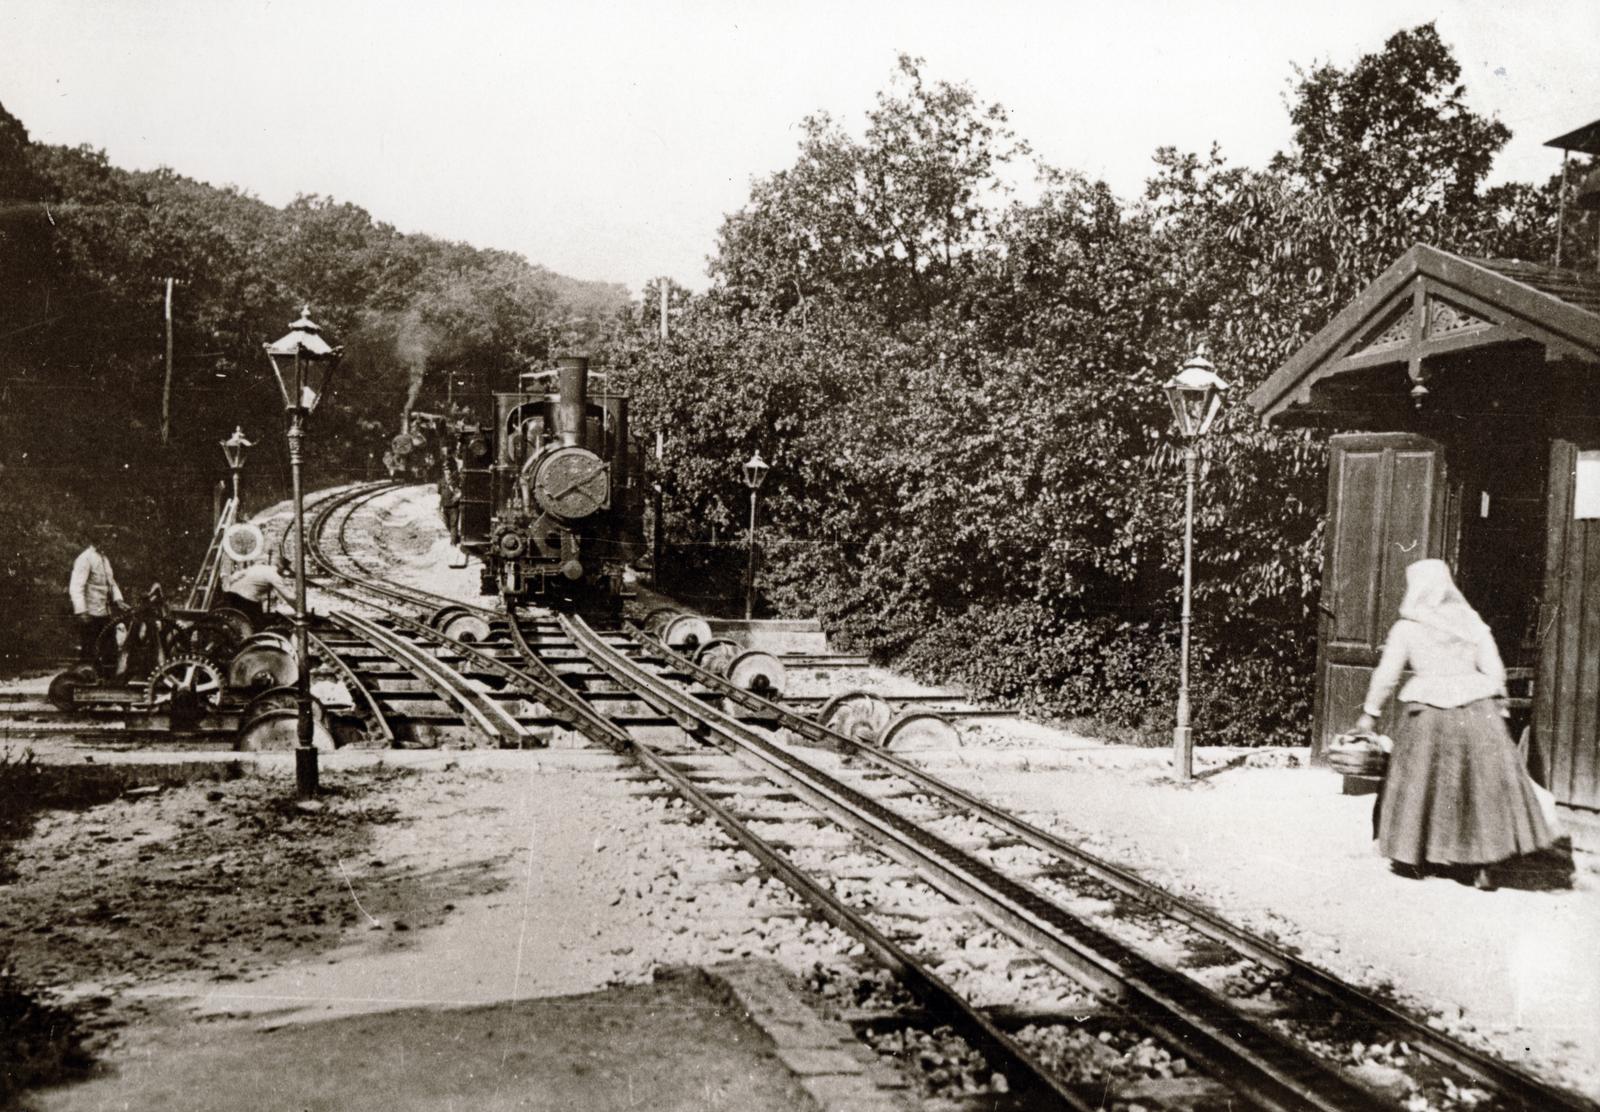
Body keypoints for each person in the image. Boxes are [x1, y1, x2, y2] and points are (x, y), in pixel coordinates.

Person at [1354, 559, 1555, 889]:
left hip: (1430, 712)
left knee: (1423, 783)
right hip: (1478, 710)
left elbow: (1387, 675)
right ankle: (1480, 861)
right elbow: (1494, 670)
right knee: (1476, 787)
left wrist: (1370, 713)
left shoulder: (1408, 628)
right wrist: (1500, 709)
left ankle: (1414, 855)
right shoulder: (1472, 623)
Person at [69, 527, 125, 665]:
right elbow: (76, 587)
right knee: (89, 651)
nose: (110, 542)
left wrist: (118, 599)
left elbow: (111, 582)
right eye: (107, 539)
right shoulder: (85, 558)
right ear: (99, 540)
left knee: (110, 650)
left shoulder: (104, 559)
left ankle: (108, 676)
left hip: (104, 613)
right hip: (90, 614)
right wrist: (81, 611)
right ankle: (86, 676)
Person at [219, 556, 295, 627]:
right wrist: (298, 609)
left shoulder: (260, 567)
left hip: (232, 594)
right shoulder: (274, 576)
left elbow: (237, 575)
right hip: (246, 599)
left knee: (236, 622)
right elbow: (289, 597)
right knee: (258, 625)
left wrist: (229, 585)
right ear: (282, 568)